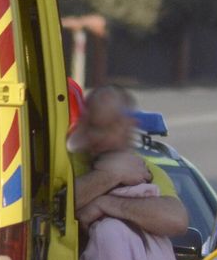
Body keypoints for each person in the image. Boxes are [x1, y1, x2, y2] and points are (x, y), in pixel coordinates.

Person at [70, 85, 188, 237]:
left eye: (110, 127)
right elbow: (48, 206)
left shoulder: (146, 170)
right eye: (94, 126)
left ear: (129, 127)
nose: (101, 135)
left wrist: (105, 204)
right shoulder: (65, 162)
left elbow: (176, 221)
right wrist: (111, 175)